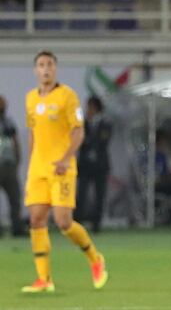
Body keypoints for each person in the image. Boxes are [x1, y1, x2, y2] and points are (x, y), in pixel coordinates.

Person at [22, 51, 108, 293]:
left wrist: (65, 159)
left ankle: (94, 258)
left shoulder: (67, 96)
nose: (45, 69)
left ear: (55, 69)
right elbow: (31, 134)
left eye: (49, 64)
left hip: (62, 167)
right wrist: (31, 165)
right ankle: (44, 279)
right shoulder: (30, 98)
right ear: (35, 70)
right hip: (38, 168)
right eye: (41, 65)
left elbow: (78, 132)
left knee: (63, 222)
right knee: (36, 219)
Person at [76, 96, 112, 233]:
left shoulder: (105, 123)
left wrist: (89, 140)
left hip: (100, 166)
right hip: (85, 165)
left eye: (91, 107)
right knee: (81, 195)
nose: (89, 110)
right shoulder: (83, 123)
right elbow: (79, 140)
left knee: (99, 196)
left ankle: (96, 224)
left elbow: (103, 141)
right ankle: (78, 223)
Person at [0, 95, 25, 237]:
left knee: (15, 197)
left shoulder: (9, 122)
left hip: (9, 165)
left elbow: (15, 141)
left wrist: (18, 159)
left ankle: (17, 227)